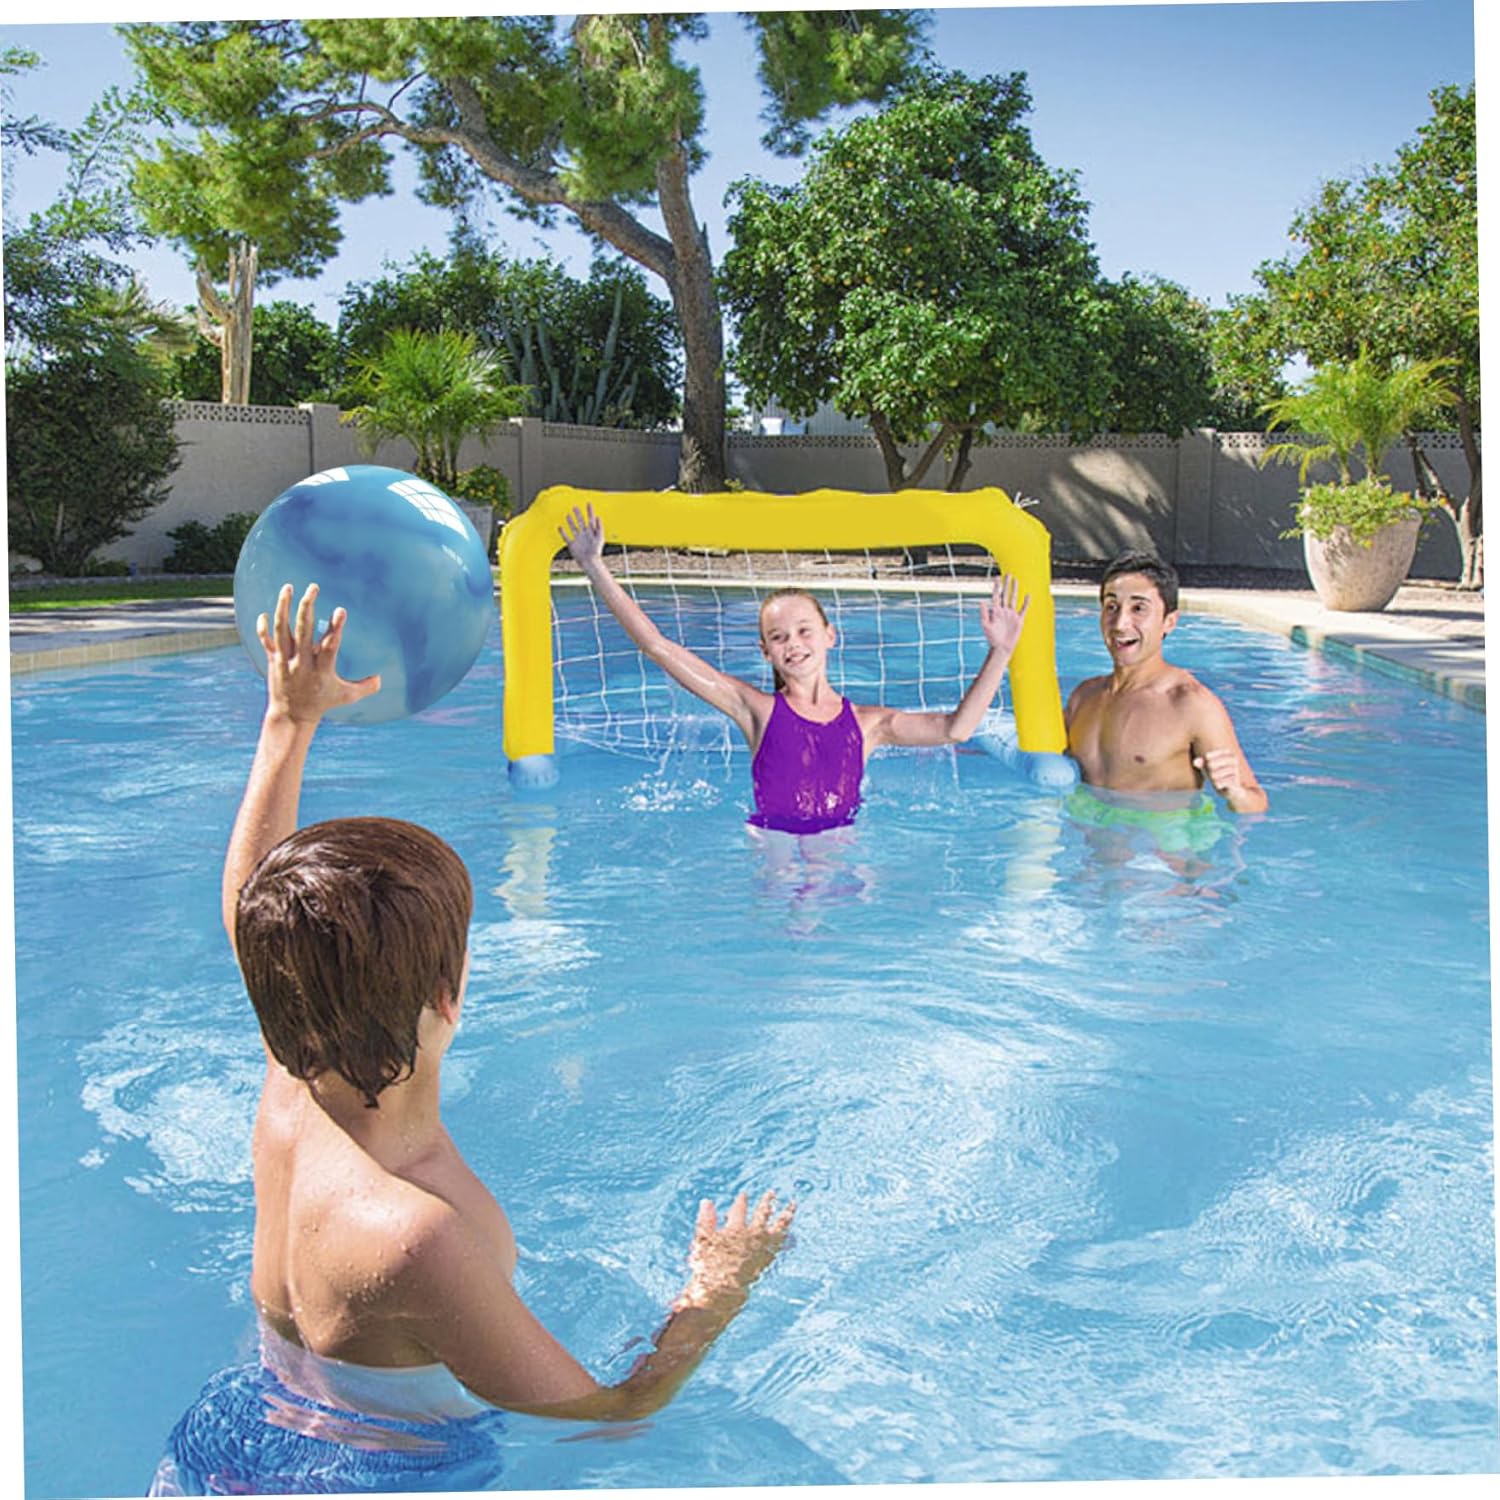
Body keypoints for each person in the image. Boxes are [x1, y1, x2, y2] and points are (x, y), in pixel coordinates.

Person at [153, 581, 795, 1493]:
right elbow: (613, 1411)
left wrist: (287, 722)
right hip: (379, 1473)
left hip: (238, 1432)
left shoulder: (293, 1086)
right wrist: (715, 1290)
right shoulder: (416, 1235)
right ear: (447, 998)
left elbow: (251, 913)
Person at [560, 503, 1030, 834]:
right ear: (765, 651)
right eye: (779, 636)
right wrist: (594, 566)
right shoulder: (755, 709)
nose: (794, 644)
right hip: (772, 847)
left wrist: (1001, 652)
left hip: (841, 848)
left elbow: (955, 730)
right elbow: (657, 646)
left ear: (830, 636)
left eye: (805, 631)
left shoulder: (869, 724)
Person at [1065, 551, 1268, 814]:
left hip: (1161, 839)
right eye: (1111, 606)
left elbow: (1256, 802)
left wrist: (1235, 791)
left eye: (1139, 609)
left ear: (1169, 622)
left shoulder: (1191, 704)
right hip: (1089, 837)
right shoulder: (1084, 697)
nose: (1120, 623)